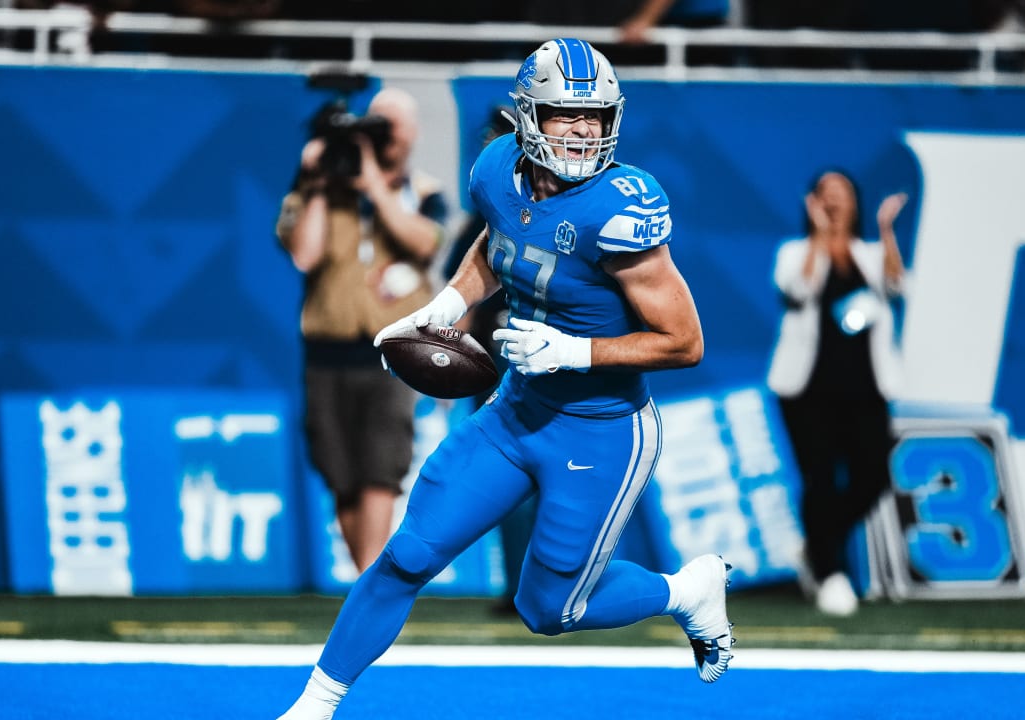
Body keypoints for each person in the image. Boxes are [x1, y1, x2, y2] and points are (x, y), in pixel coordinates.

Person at [275, 37, 731, 719]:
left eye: (596, 117)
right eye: (563, 115)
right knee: (407, 555)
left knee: (548, 610)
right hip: (516, 411)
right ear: (527, 117)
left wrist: (575, 352)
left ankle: (684, 591)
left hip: (602, 431)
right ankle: (314, 705)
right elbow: (500, 241)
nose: (582, 131)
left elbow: (685, 341)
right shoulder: (495, 169)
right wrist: (449, 303)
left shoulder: (622, 207)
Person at [275, 87, 448, 575]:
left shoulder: (424, 191)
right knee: (341, 474)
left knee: (380, 469)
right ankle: (366, 579)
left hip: (391, 352)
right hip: (326, 352)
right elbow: (304, 254)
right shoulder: (321, 195)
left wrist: (375, 182)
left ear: (411, 135)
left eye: (391, 127)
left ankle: (370, 578)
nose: (381, 137)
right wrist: (313, 180)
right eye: (375, 125)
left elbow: (425, 242)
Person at [766, 170, 908, 617]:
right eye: (824, 195)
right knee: (820, 480)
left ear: (854, 203)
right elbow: (798, 287)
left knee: (872, 477)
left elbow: (897, 285)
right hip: (808, 389)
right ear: (813, 203)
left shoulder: (868, 254)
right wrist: (820, 235)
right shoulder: (795, 252)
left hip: (865, 387)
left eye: (841, 194)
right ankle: (829, 574)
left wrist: (886, 232)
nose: (833, 202)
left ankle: (815, 548)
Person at [441, 104, 535, 616]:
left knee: (559, 474)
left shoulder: (561, 209)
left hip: (555, 356)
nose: (490, 147)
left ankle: (549, 583)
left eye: (500, 138)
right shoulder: (481, 222)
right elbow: (460, 307)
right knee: (509, 476)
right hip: (500, 358)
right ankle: (522, 584)